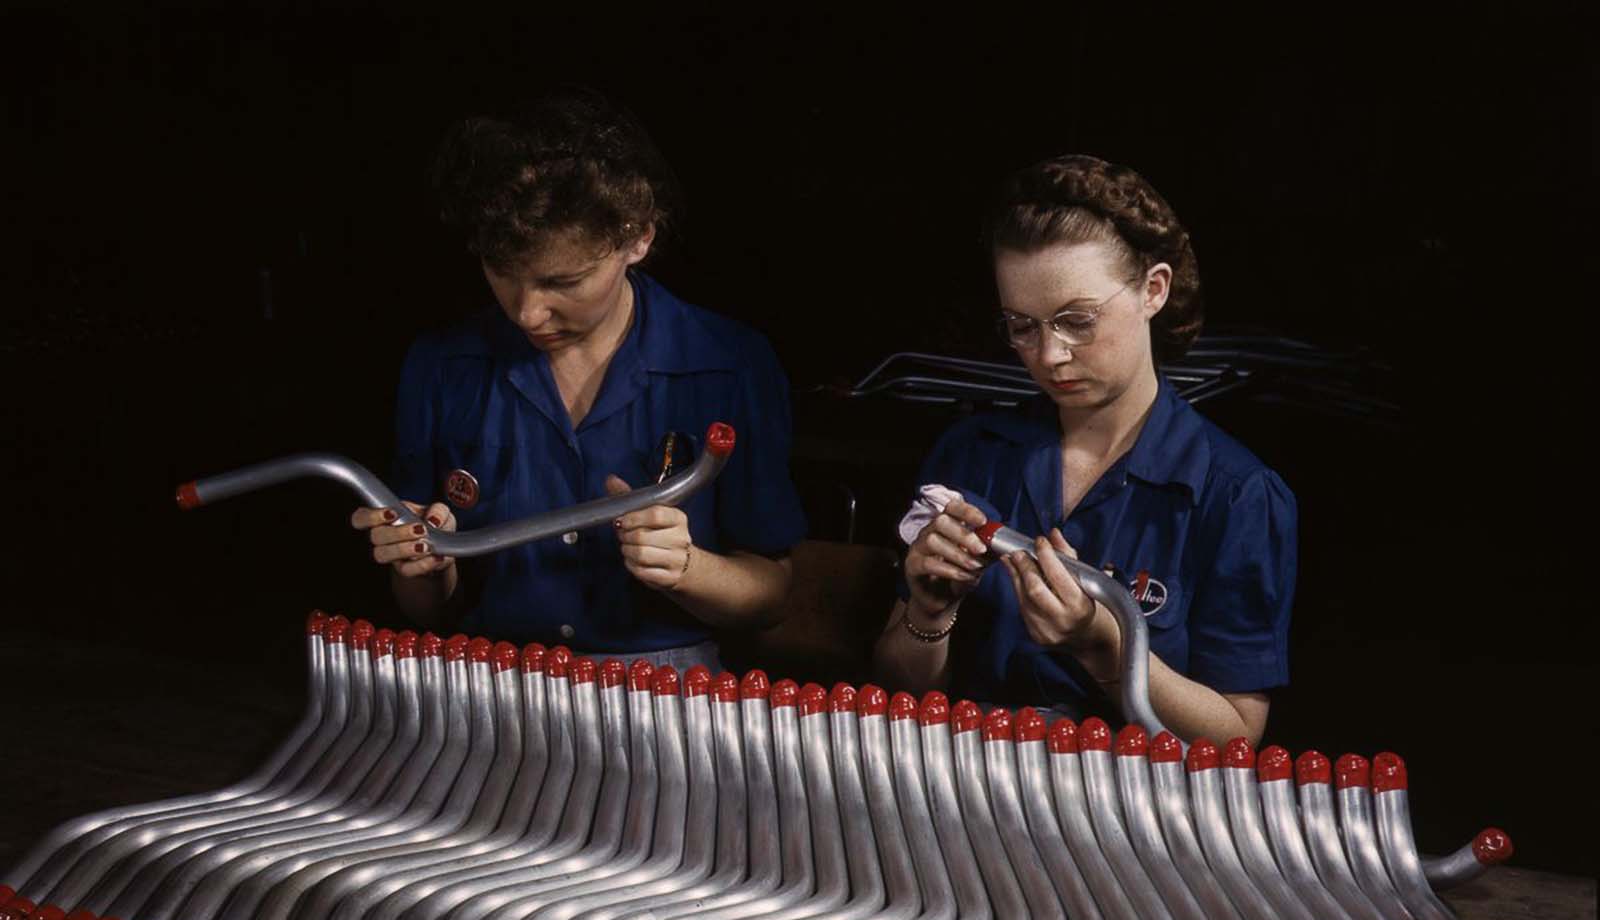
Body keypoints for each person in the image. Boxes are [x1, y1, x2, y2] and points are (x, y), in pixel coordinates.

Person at [351, 89, 806, 669]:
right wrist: (424, 565)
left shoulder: (730, 362)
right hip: (487, 672)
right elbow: (429, 613)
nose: (526, 313)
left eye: (563, 282)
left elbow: (771, 598)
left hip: (667, 686)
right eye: (502, 273)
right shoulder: (442, 366)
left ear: (638, 237)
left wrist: (688, 569)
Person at [874, 155, 1296, 746]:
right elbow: (900, 686)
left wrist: (1107, 645)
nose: (1049, 356)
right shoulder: (970, 455)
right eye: (1023, 326)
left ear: (1154, 289)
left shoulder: (1235, 495)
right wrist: (928, 610)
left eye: (1077, 320)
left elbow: (1235, 739)